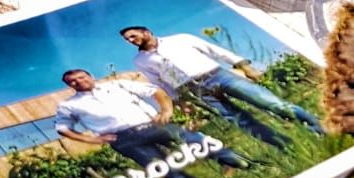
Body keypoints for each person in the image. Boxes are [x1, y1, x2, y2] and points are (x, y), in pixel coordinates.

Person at [120, 26, 325, 150]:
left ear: (146, 32)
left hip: (218, 75)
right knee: (240, 121)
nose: (130, 40)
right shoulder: (141, 60)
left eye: (132, 35)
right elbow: (160, 82)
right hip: (195, 89)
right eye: (127, 40)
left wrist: (245, 66)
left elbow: (215, 50)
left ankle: (317, 126)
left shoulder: (180, 39)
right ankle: (284, 145)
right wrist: (180, 101)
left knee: (271, 103)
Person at [54, 69, 249, 178]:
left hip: (152, 125)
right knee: (162, 167)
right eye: (72, 81)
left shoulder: (117, 84)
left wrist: (166, 110)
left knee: (198, 141)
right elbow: (62, 128)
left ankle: (243, 164)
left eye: (81, 77)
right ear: (69, 86)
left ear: (90, 76)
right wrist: (91, 140)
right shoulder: (69, 105)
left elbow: (155, 91)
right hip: (122, 139)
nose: (78, 82)